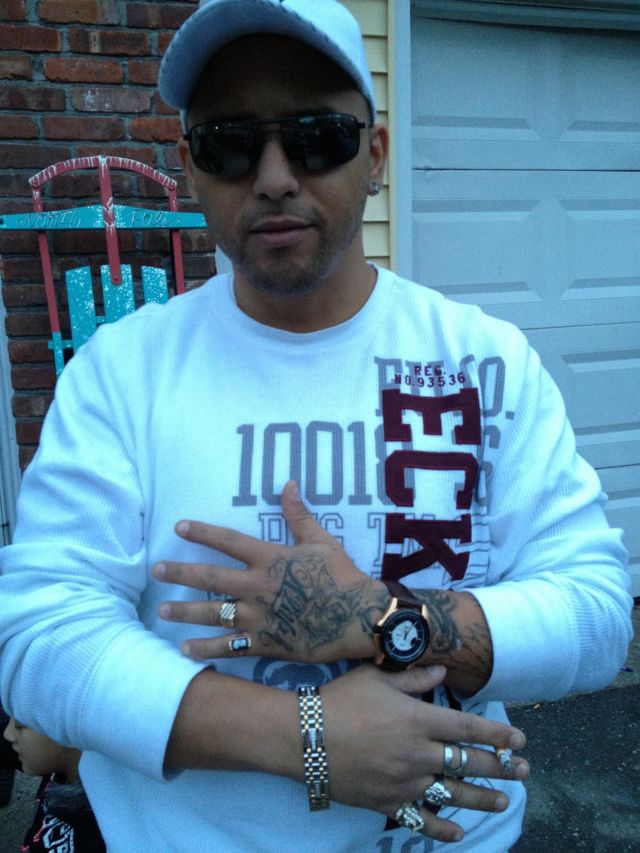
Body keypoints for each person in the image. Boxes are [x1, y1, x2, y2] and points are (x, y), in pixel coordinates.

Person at [0, 1, 632, 851]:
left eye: (316, 136)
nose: (273, 176)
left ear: (375, 157)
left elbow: (597, 612)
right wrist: (307, 737)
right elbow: (38, 633)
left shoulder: (485, 360)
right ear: (190, 167)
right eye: (229, 142)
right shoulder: (122, 372)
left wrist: (378, 614)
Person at [3, 718, 105, 852]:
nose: (8, 734)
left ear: (70, 732)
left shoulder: (103, 835)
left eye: (20, 725)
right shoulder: (60, 765)